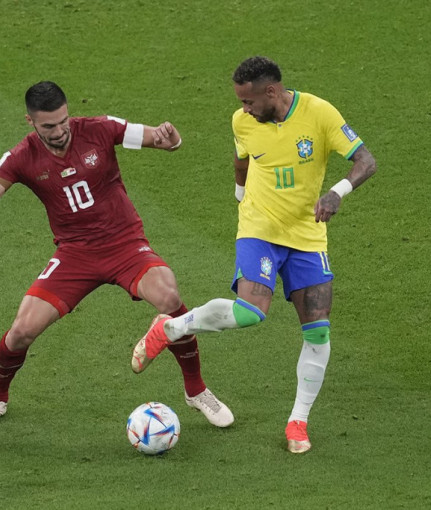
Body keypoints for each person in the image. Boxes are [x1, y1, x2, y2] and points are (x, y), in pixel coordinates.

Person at [0, 80, 233, 429]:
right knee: (22, 330)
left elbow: (159, 139)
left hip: (125, 244)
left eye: (63, 121)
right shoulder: (22, 157)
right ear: (30, 121)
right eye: (48, 126)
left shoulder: (100, 129)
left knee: (169, 296)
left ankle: (196, 390)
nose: (59, 132)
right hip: (75, 255)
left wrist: (170, 139)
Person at [132, 56, 376, 453]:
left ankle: (297, 422)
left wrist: (337, 193)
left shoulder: (319, 114)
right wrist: (241, 196)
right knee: (250, 312)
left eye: (248, 101)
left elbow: (366, 161)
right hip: (259, 229)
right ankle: (171, 329)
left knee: (318, 331)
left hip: (307, 236)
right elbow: (241, 159)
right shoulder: (242, 121)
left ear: (272, 92)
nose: (243, 110)